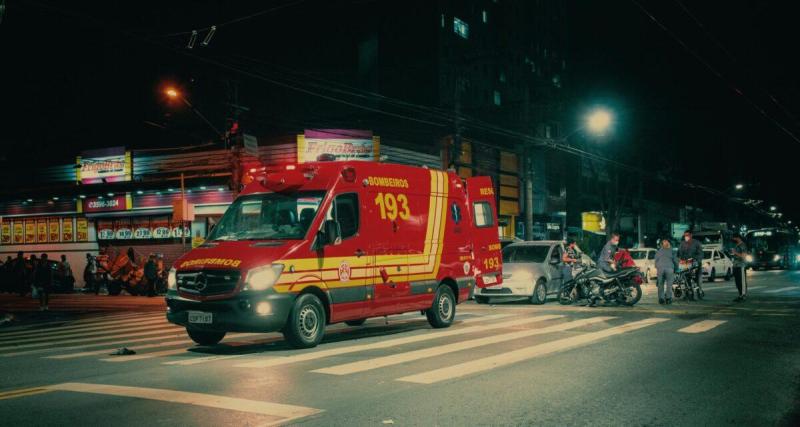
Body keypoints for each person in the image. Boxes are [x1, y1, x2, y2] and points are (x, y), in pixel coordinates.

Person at [655, 239, 678, 305]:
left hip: (660, 269)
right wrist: (676, 269)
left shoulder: (658, 252)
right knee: (669, 285)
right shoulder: (672, 251)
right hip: (669, 269)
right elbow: (675, 261)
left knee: (660, 284)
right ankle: (668, 298)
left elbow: (656, 262)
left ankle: (661, 299)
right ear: (669, 244)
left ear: (662, 245)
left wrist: (658, 268)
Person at [730, 234, 749, 302]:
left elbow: (744, 256)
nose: (733, 240)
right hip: (736, 265)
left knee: (742, 281)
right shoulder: (737, 245)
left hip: (741, 265)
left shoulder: (742, 245)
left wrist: (735, 252)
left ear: (738, 238)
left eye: (734, 238)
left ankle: (743, 295)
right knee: (737, 282)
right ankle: (740, 295)